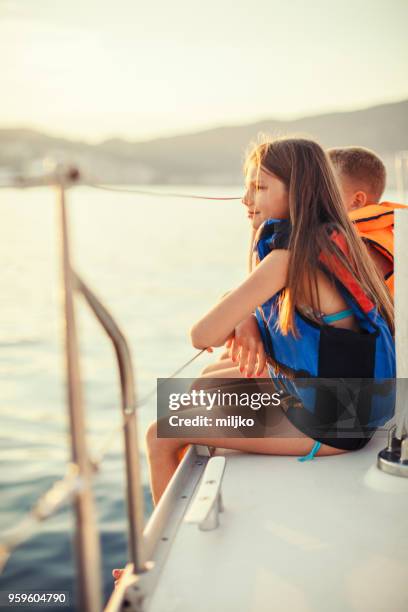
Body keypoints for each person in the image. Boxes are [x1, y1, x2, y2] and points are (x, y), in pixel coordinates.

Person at [144, 137, 395, 506]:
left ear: (298, 192)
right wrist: (245, 319)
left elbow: (202, 335)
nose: (246, 200)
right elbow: (252, 306)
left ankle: (152, 562)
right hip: (341, 407)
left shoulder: (288, 259)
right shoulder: (322, 242)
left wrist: (237, 316)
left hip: (333, 424)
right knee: (193, 394)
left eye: (259, 188)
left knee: (157, 434)